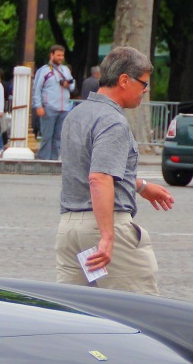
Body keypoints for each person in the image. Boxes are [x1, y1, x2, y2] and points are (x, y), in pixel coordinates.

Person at [55, 45, 173, 296]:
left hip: (69, 229)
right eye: (143, 84)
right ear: (123, 80)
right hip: (103, 225)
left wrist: (140, 186)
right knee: (139, 313)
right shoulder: (112, 121)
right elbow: (99, 177)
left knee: (75, 315)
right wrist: (107, 236)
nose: (145, 90)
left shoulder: (76, 115)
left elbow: (92, 168)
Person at [33, 44, 75, 160]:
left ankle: (54, 160)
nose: (61, 57)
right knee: (47, 136)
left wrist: (68, 85)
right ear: (52, 55)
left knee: (58, 137)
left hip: (64, 108)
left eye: (62, 55)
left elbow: (72, 86)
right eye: (58, 55)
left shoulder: (65, 70)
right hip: (49, 107)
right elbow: (36, 89)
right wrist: (38, 106)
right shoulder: (44, 71)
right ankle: (44, 160)